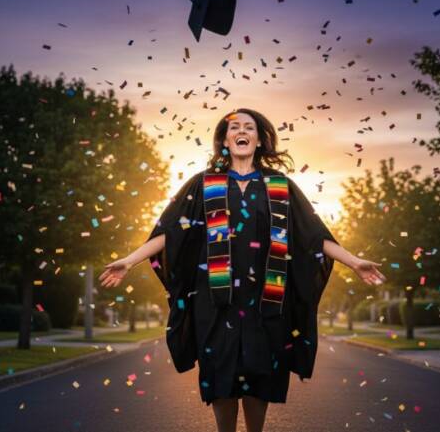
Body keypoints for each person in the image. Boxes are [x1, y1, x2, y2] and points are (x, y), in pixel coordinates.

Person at [99, 109, 385, 432]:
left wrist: (354, 261)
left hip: (266, 300)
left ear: (260, 140)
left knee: (259, 373)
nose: (241, 131)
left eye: (249, 127)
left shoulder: (279, 186)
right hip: (216, 300)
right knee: (221, 372)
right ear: (224, 139)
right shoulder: (204, 184)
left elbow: (313, 236)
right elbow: (171, 233)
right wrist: (129, 259)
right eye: (234, 127)